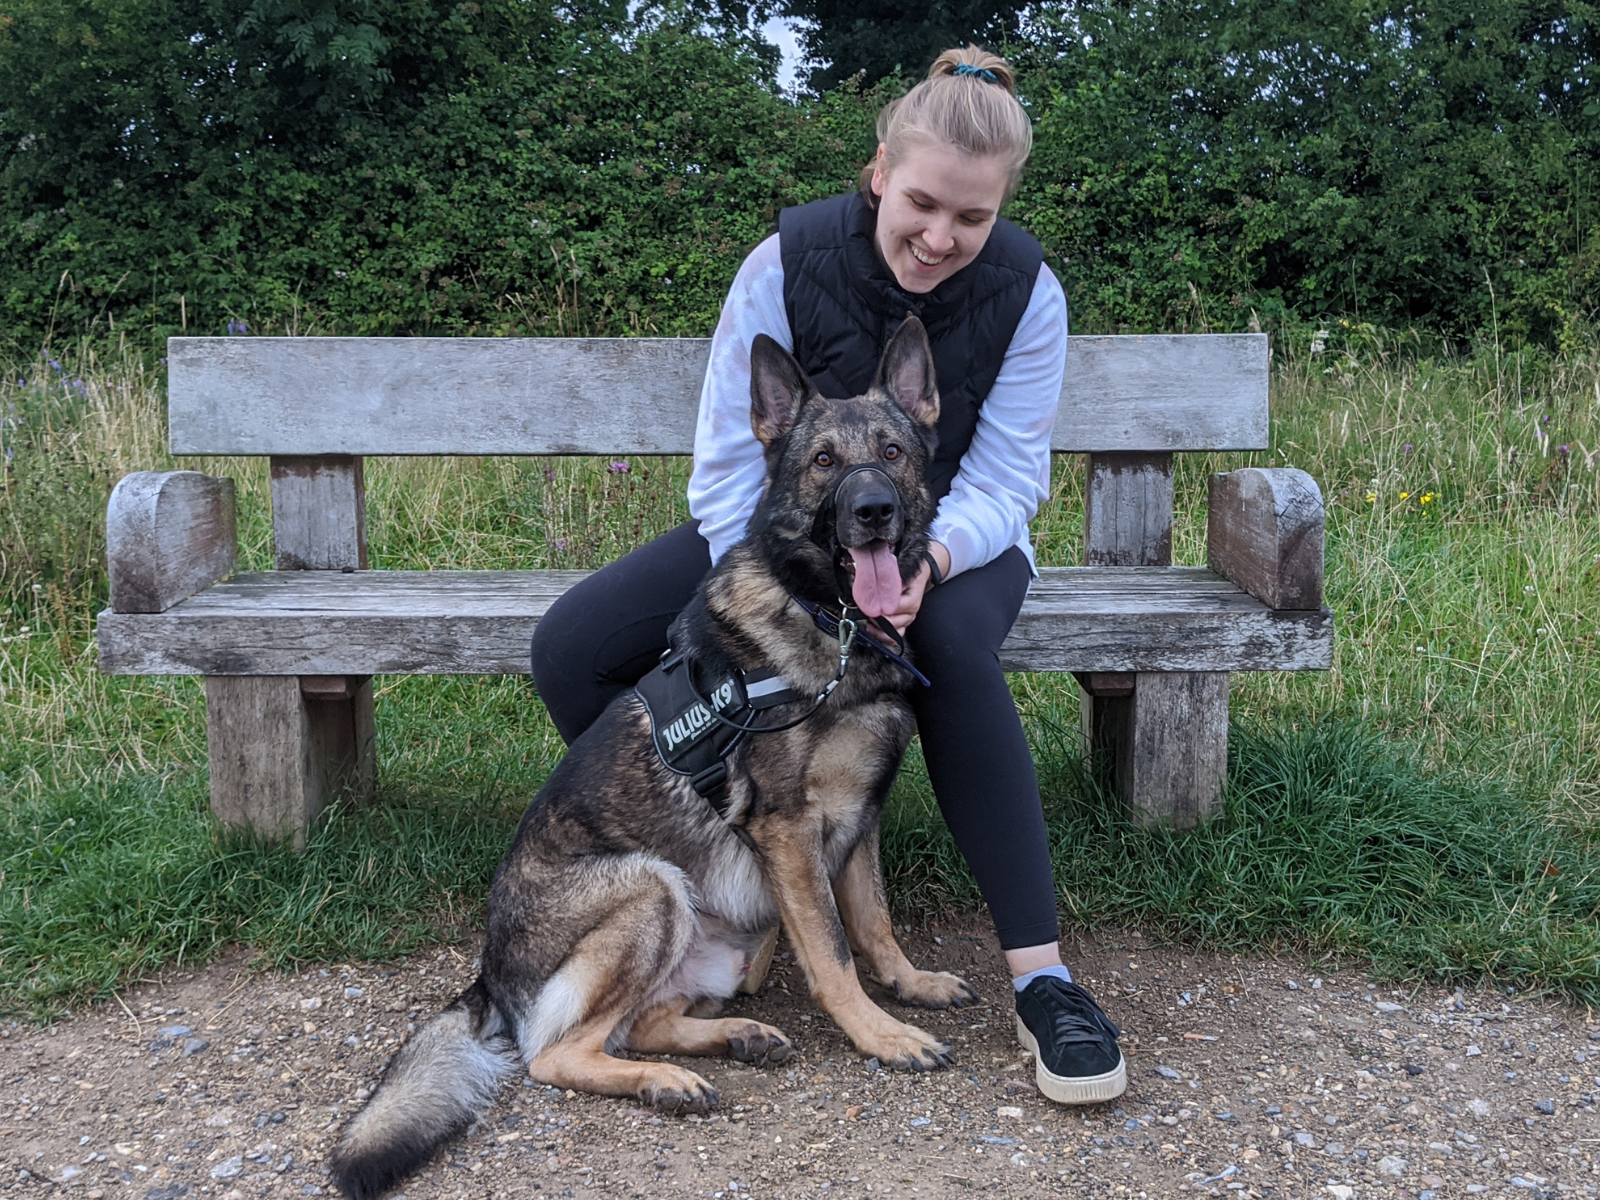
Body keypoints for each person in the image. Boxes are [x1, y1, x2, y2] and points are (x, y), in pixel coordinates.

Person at [531, 45, 1125, 1105]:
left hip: (953, 540)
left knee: (940, 644)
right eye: (922, 204)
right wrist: (779, 608)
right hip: (784, 535)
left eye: (972, 219)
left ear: (1002, 212)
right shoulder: (783, 260)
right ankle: (735, 867)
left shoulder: (1030, 291)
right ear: (879, 172)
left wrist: (919, 567)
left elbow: (1005, 479)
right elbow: (725, 469)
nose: (941, 238)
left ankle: (1043, 980)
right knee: (572, 646)